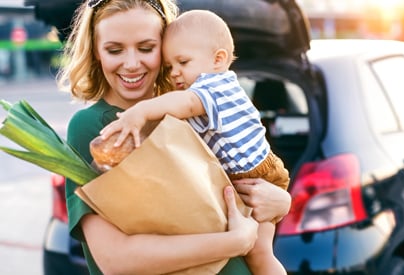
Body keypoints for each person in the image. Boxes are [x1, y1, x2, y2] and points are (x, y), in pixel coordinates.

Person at [56, 1, 291, 274]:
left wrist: (281, 201)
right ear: (96, 53)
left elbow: (230, 188)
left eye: (146, 48)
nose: (132, 64)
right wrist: (234, 241)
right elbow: (114, 260)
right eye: (114, 49)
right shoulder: (96, 128)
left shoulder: (189, 112)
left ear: (166, 48)